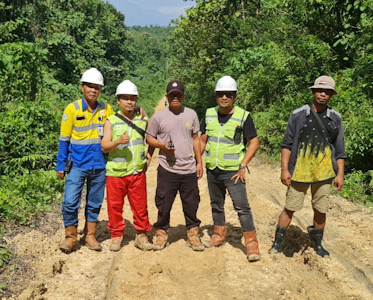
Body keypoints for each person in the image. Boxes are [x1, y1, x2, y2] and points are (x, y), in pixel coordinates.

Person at [269, 75, 346, 257]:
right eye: (319, 90)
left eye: (327, 92)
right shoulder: (298, 115)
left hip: (324, 171)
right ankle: (277, 243)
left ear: (331, 96)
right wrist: (284, 169)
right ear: (313, 91)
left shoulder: (335, 118)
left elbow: (340, 149)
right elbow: (287, 144)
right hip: (299, 171)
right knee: (290, 207)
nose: (322, 94)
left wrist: (340, 174)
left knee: (320, 209)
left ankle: (317, 245)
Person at [200, 76, 261, 262]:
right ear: (216, 96)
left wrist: (243, 165)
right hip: (213, 169)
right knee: (216, 204)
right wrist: (197, 161)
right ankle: (219, 234)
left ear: (234, 96)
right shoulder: (209, 114)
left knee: (242, 207)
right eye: (220, 94)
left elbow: (254, 142)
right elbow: (202, 140)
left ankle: (251, 244)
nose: (224, 97)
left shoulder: (243, 116)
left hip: (233, 171)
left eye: (228, 94)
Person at [56, 67, 114, 253]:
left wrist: (137, 112)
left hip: (99, 165)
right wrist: (60, 165)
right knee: (70, 201)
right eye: (89, 86)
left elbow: (120, 123)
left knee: (94, 202)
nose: (93, 90)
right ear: (82, 87)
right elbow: (64, 140)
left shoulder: (107, 109)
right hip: (77, 165)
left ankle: (90, 235)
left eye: (97, 87)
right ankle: (71, 237)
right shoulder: (72, 109)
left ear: (101, 90)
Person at [146, 80, 205, 251]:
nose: (176, 97)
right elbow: (149, 138)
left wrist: (199, 162)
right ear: (167, 97)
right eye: (172, 95)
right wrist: (162, 146)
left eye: (179, 94)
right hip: (167, 168)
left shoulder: (191, 115)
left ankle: (193, 234)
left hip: (188, 168)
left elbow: (196, 139)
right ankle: (161, 234)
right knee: (164, 203)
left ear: (183, 96)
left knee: (191, 202)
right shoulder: (159, 117)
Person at [101, 80, 156, 252]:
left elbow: (151, 138)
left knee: (140, 206)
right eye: (125, 98)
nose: (129, 102)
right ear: (118, 100)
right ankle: (116, 236)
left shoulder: (142, 120)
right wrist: (118, 141)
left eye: (133, 98)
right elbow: (104, 146)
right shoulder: (111, 121)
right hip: (116, 174)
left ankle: (141, 235)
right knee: (114, 206)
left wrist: (149, 155)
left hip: (137, 172)